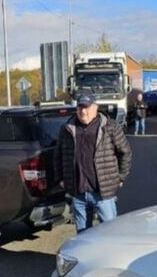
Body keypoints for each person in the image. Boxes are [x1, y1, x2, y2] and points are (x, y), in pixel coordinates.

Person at [54, 91, 132, 233]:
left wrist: (121, 177)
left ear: (95, 107)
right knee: (83, 236)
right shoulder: (67, 128)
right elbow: (58, 155)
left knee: (110, 232)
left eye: (87, 107)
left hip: (103, 193)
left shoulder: (110, 126)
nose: (83, 112)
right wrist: (60, 178)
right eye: (80, 107)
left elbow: (125, 152)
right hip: (78, 193)